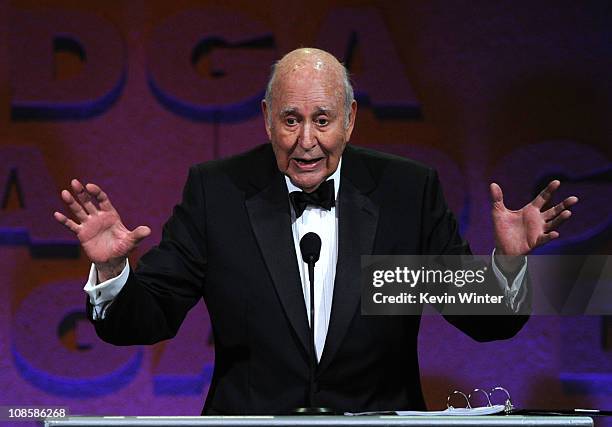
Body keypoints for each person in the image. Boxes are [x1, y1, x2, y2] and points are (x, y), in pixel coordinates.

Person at [54, 48, 577, 414]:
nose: (306, 141)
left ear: (350, 119)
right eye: (290, 119)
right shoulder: (218, 193)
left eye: (322, 120)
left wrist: (507, 264)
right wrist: (113, 267)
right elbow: (146, 317)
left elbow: (482, 322)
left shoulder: (405, 192)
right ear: (265, 119)